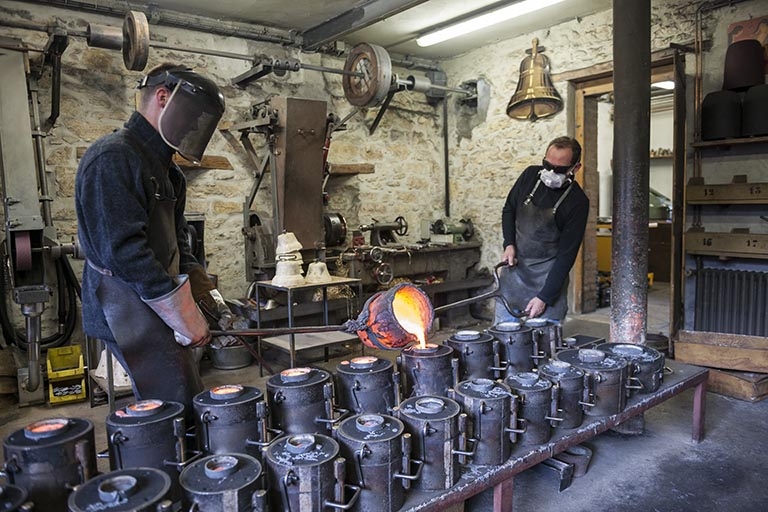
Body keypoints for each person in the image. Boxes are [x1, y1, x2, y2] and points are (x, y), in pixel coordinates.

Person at [76, 63, 227, 410]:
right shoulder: (114, 157)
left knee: (183, 394)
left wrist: (208, 298)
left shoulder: (169, 173)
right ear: (162, 97)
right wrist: (183, 312)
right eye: (192, 116)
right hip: (125, 306)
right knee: (175, 403)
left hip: (155, 299)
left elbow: (178, 245)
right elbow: (123, 252)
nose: (193, 126)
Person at [497, 136, 589, 323]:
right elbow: (509, 209)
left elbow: (566, 255)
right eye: (547, 165)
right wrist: (509, 244)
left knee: (541, 344)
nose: (551, 172)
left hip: (548, 280)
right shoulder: (530, 176)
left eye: (560, 169)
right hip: (515, 274)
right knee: (503, 339)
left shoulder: (577, 202)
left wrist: (544, 297)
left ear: (575, 168)